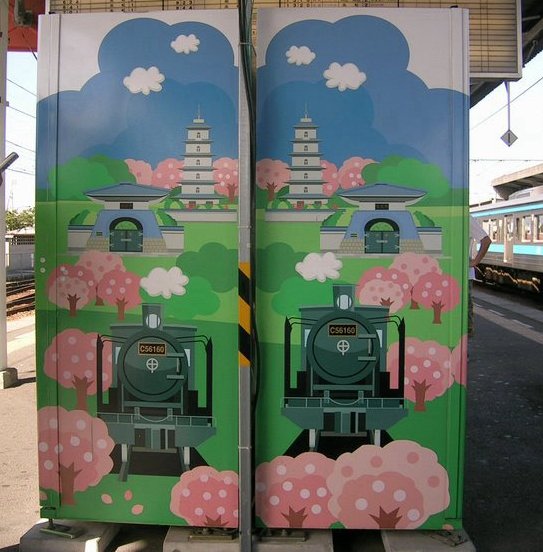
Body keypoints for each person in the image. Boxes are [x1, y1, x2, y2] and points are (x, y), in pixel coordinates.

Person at [468, 215, 492, 337]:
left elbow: (486, 241)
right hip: (455, 275)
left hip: (464, 276)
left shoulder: (466, 218)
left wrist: (474, 262)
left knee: (464, 316)